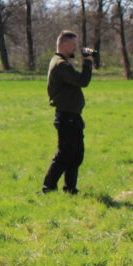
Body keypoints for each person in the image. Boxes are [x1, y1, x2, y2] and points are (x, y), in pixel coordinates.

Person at [42, 30, 94, 194]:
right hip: (66, 117)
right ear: (63, 44)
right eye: (73, 45)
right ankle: (48, 187)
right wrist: (87, 62)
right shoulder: (60, 64)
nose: (75, 49)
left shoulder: (61, 62)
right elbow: (82, 81)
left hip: (72, 116)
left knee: (76, 154)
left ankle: (70, 188)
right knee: (64, 154)